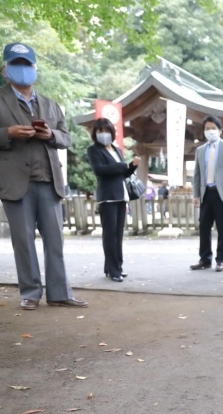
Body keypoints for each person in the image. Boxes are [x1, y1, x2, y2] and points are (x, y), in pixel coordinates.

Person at [0, 42, 87, 310]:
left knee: (55, 240)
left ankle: (60, 292)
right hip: (16, 183)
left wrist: (51, 135)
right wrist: (8, 134)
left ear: (35, 69)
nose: (22, 70)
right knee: (23, 241)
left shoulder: (50, 105)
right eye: (16, 64)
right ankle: (30, 292)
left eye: (27, 65)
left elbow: (67, 137)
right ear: (5, 69)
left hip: (50, 181)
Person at [87, 118, 140, 282]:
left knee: (118, 234)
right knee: (110, 235)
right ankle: (113, 270)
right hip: (107, 197)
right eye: (100, 131)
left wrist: (132, 167)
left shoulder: (117, 150)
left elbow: (122, 174)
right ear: (95, 133)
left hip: (121, 195)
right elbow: (100, 170)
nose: (103, 134)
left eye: (106, 131)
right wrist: (124, 165)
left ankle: (115, 266)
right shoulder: (94, 150)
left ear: (112, 132)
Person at [190, 115, 223, 272]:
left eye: (213, 128)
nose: (210, 131)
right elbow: (197, 174)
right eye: (207, 129)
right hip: (206, 192)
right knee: (204, 227)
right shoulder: (200, 150)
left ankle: (221, 259)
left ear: (220, 130)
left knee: (222, 227)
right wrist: (196, 195)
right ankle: (205, 259)